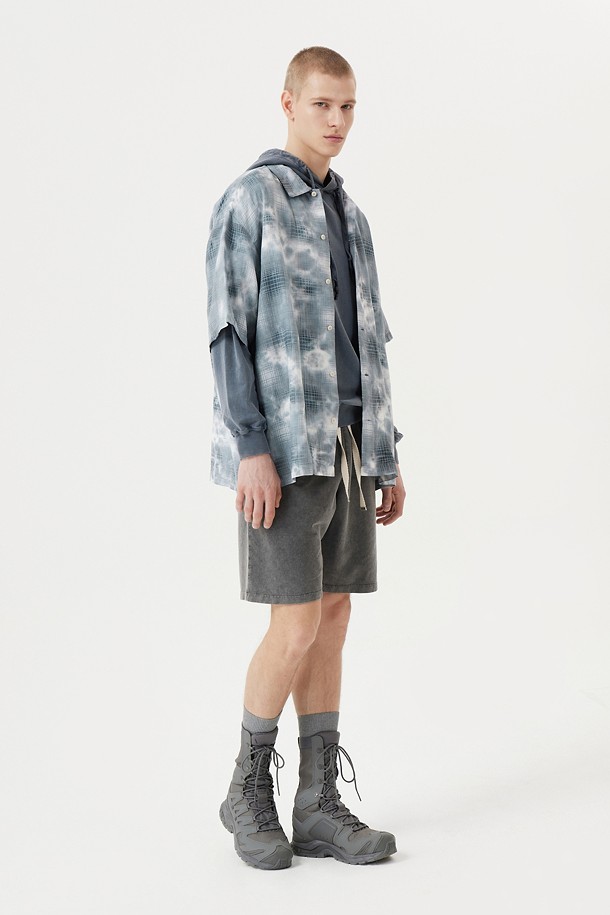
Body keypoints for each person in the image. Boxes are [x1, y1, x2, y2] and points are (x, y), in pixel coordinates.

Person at [206, 46, 406, 870]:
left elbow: (369, 341)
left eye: (348, 106)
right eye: (322, 103)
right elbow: (229, 329)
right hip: (285, 453)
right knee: (292, 624)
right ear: (288, 102)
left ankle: (317, 802)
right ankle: (246, 789)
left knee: (333, 617)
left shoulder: (350, 215)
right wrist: (251, 446)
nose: (337, 120)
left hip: (351, 447)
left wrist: (386, 454)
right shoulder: (250, 199)